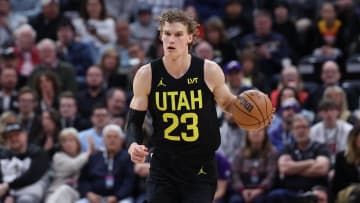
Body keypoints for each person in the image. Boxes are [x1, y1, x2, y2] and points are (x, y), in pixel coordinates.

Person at [126, 9, 269, 203]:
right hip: (164, 164)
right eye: (167, 34)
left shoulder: (208, 70)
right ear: (161, 36)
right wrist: (133, 143)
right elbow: (135, 119)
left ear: (190, 38)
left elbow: (227, 103)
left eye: (178, 34)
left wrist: (255, 113)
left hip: (200, 165)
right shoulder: (147, 74)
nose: (171, 40)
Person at [45, 128, 91, 203]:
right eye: (64, 141)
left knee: (65, 190)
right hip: (54, 193)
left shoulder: (84, 157)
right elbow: (73, 165)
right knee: (63, 190)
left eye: (71, 140)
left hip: (75, 194)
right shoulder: (58, 156)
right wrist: (88, 153)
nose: (68, 144)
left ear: (78, 142)